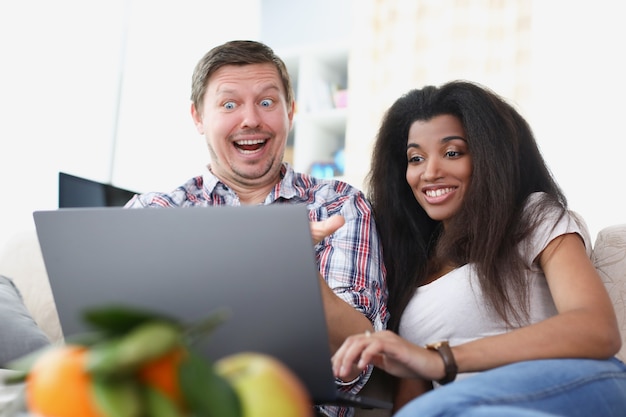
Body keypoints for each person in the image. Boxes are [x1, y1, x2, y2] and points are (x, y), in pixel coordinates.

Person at [124, 40, 388, 417]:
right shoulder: (153, 212)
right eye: (229, 104)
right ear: (198, 117)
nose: (251, 119)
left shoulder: (338, 205)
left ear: (290, 112)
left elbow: (356, 360)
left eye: (266, 102)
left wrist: (294, 267)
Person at [331, 80, 626, 416]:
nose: (430, 172)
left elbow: (597, 329)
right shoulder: (411, 265)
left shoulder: (532, 216)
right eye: (415, 158)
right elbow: (415, 393)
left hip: (574, 386)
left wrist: (441, 360)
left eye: (452, 152)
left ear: (488, 157)